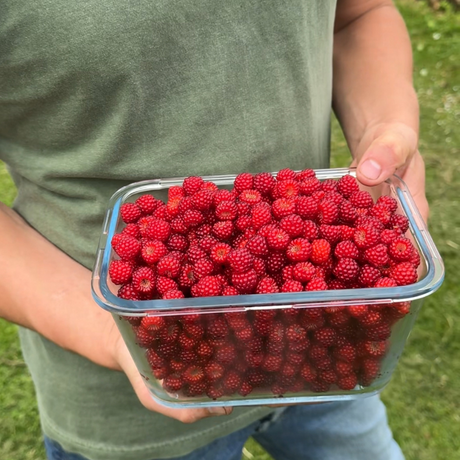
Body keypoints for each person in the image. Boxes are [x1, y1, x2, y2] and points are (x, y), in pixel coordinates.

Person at [0, 0, 428, 459]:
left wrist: (386, 126)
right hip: (152, 380)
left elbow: (359, 14)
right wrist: (111, 330)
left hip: (327, 344)